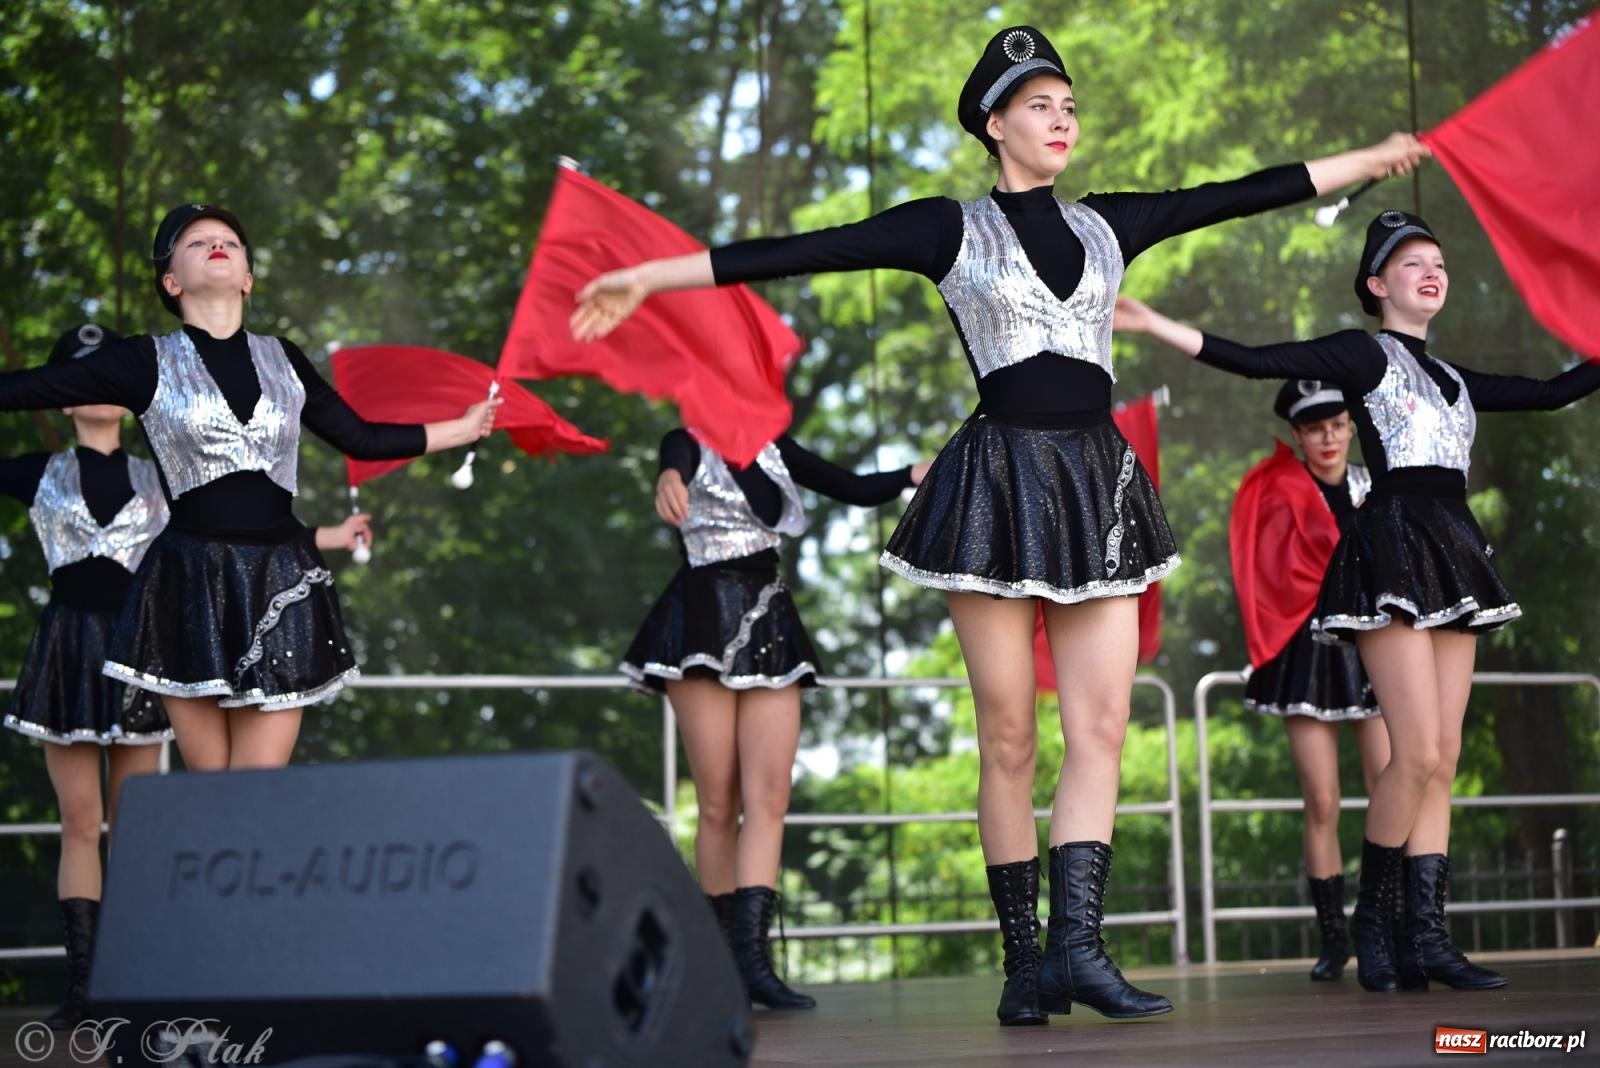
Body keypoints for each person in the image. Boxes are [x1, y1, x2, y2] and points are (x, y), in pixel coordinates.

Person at [571, 23, 1426, 1024]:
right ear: (994, 123)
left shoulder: (1112, 223)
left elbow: (1238, 191)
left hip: (1097, 487)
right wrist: (653, 278)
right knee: (1010, 735)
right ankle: (1025, 964)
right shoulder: (947, 227)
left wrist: (1366, 162)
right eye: (1039, 106)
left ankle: (1078, 949)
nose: (1061, 119)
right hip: (994, 486)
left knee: (1101, 723)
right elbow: (802, 250)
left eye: (1068, 106)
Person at [1115, 208, 1600, 993]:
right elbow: (1256, 358)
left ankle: (1429, 939)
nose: (1429, 271)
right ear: (1378, 284)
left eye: (1436, 260)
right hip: (1394, 546)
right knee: (1412, 755)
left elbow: (1550, 393)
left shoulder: (1454, 378)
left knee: (1438, 759)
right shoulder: (1362, 355)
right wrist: (1159, 325)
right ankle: (1374, 926)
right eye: (1410, 263)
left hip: (1455, 549)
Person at [0, 204, 495, 772]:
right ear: (171, 281)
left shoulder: (284, 358)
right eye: (196, 242)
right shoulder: (142, 360)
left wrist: (460, 428)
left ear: (249, 277)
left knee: (257, 787)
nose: (217, 244)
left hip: (276, 578)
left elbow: (360, 437)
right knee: (213, 790)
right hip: (189, 582)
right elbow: (22, 388)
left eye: (230, 241)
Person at [625, 427, 925, 1010]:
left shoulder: (774, 445)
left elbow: (856, 488)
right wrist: (668, 478)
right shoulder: (684, 440)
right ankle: (717, 964)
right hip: (701, 620)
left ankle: (753, 961)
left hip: (768, 618)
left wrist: (917, 470)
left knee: (770, 797)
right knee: (717, 801)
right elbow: (673, 465)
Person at [1230, 380, 1389, 980]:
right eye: (1314, 427)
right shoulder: (1275, 489)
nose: (1327, 437)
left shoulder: (1375, 488)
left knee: (1390, 786)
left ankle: (1389, 923)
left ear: (1351, 427)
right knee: (1321, 799)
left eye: (1337, 424)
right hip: (1305, 650)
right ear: (1296, 434)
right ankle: (1334, 938)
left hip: (1374, 649)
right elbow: (1261, 575)